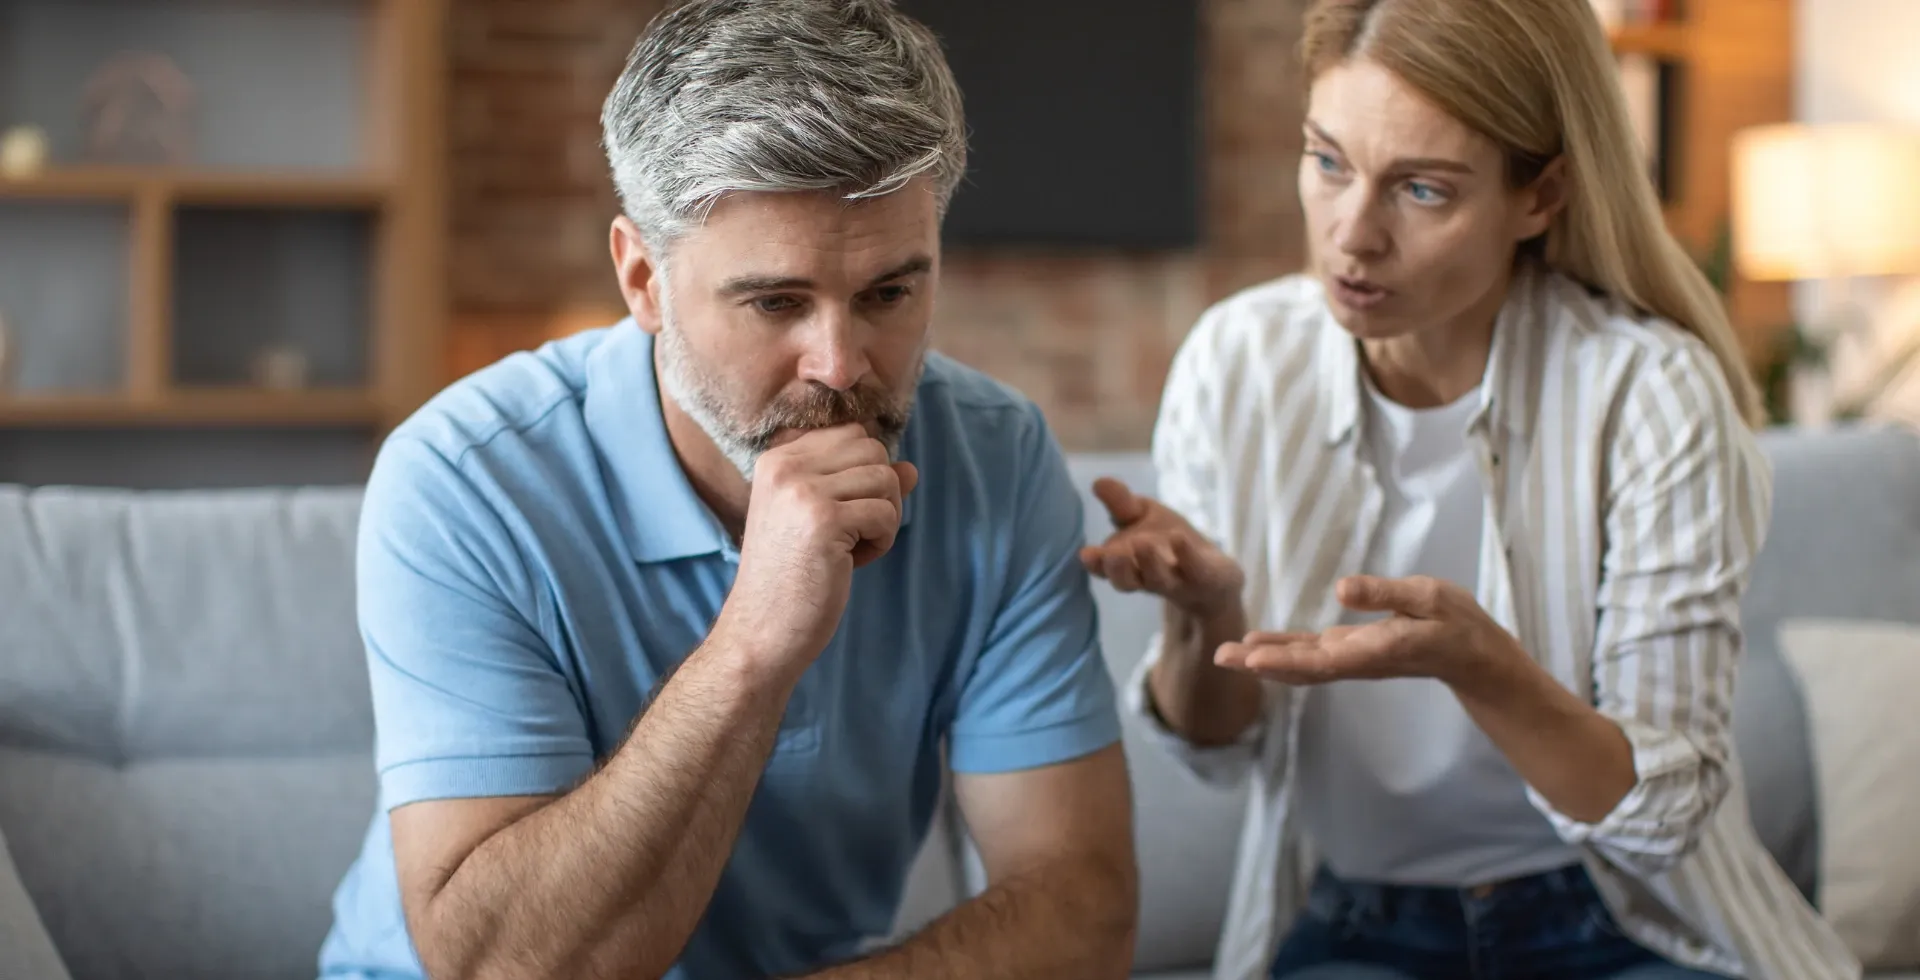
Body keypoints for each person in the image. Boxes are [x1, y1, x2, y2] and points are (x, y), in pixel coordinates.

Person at [315, 2, 1138, 978]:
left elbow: (1080, 911)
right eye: (776, 302)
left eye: (889, 293)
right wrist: (754, 642)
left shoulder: (996, 460)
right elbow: (502, 965)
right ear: (643, 280)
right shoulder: (463, 481)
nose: (840, 364)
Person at [1080, 1, 1859, 978]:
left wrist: (1485, 666)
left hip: (1620, 919)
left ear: (1542, 196)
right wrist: (1207, 615)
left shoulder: (1650, 392)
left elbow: (1661, 817)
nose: (1351, 236)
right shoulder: (1236, 363)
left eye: (1422, 190)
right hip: (1359, 924)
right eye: (1328, 161)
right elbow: (1216, 755)